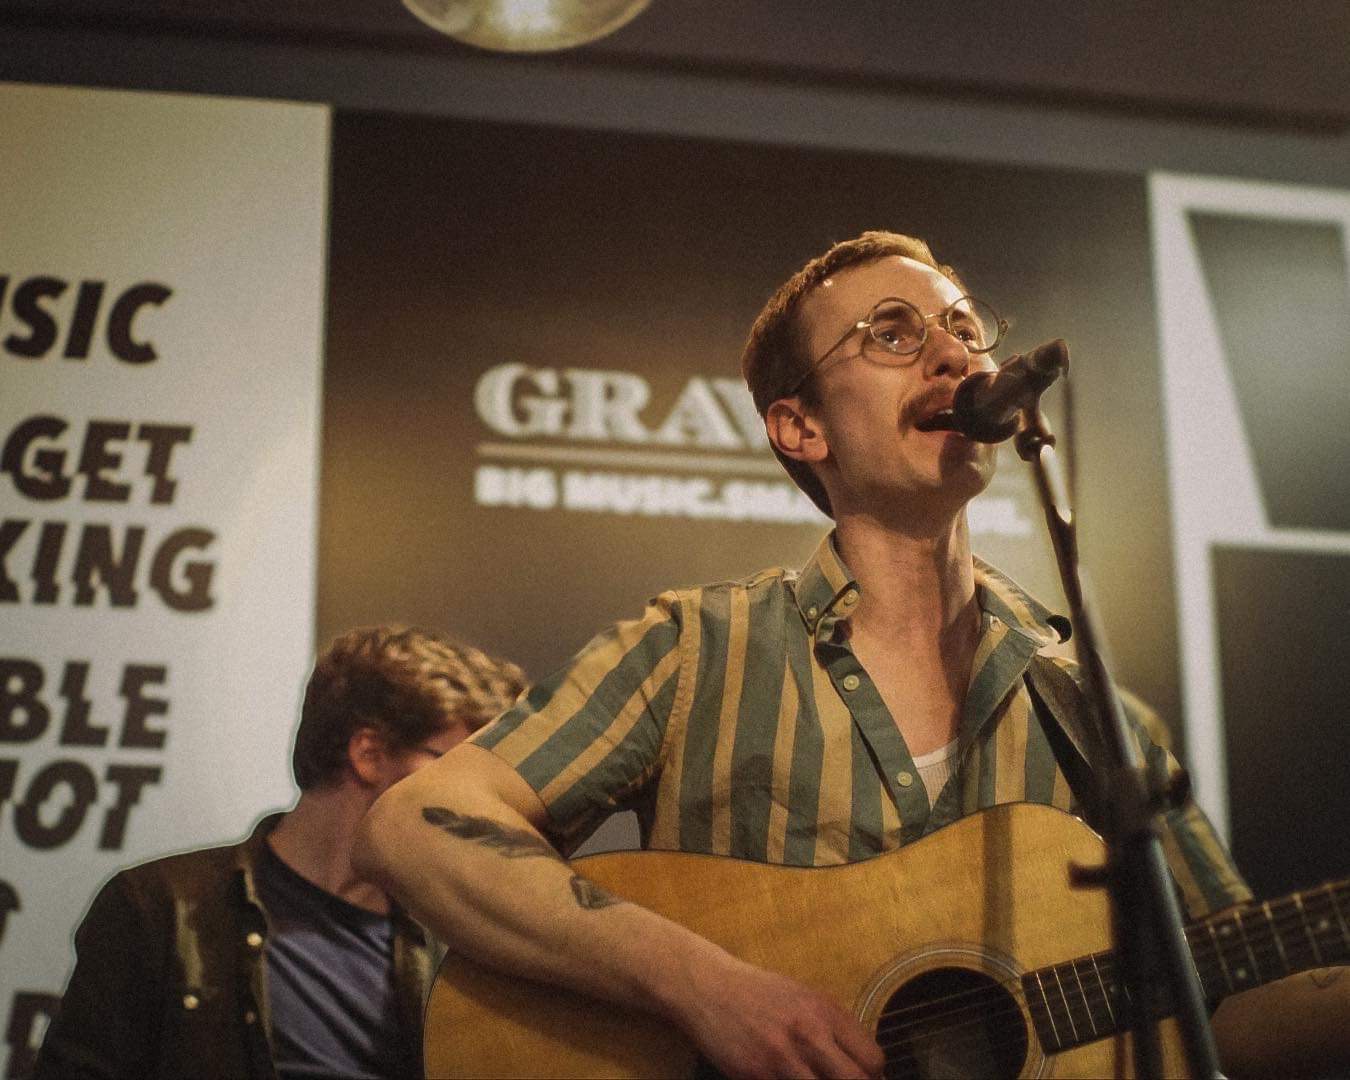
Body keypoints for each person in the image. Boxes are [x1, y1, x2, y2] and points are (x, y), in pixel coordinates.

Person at [354, 232, 1343, 1078]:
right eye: (893, 334)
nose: (952, 354)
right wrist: (705, 987)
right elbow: (418, 825)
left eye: (961, 326)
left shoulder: (1100, 725)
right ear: (800, 426)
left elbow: (1239, 1000)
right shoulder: (698, 648)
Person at [33, 626, 526, 1080]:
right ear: (368, 755)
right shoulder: (159, 907)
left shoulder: (455, 940)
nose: (477, 797)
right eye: (456, 767)